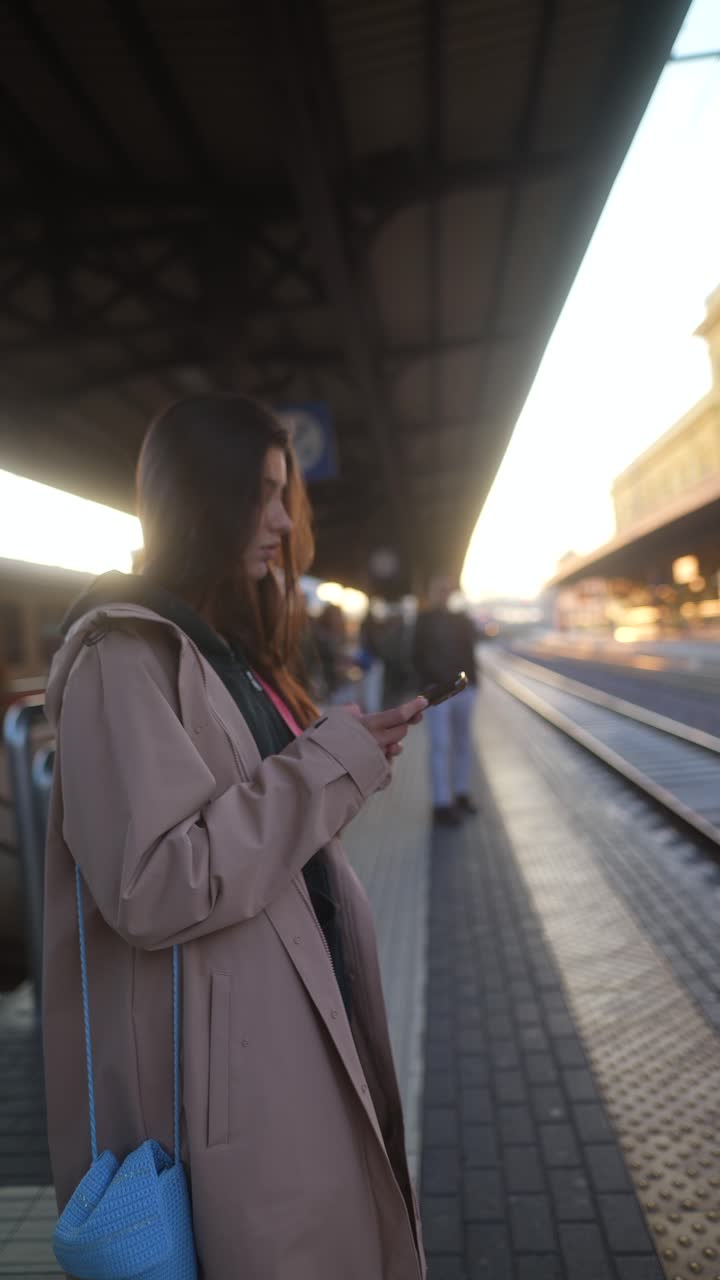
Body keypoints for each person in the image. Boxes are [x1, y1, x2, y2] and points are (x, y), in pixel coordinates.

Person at [41, 395, 428, 1280]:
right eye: (262, 494)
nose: (284, 521)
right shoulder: (123, 660)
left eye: (283, 492)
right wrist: (324, 769)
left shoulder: (220, 650)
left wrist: (341, 761)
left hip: (276, 1040)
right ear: (201, 500)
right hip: (227, 1088)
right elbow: (152, 882)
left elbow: (249, 826)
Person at [413, 575, 479, 827]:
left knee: (463, 742)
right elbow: (415, 655)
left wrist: (474, 684)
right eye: (439, 589)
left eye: (447, 590)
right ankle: (441, 803)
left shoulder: (461, 618)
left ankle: (460, 793)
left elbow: (471, 646)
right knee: (440, 744)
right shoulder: (423, 620)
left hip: (464, 689)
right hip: (437, 691)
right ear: (431, 592)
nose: (444, 594)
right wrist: (429, 687)